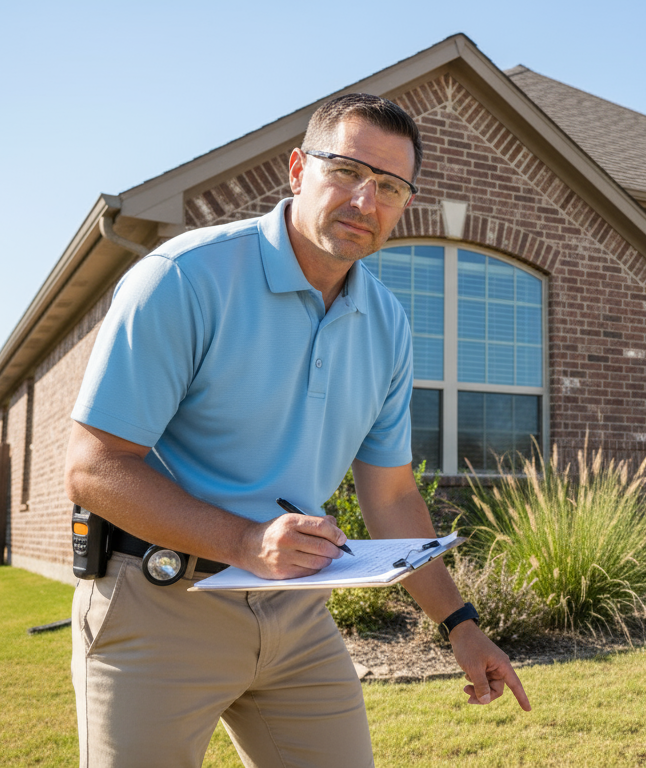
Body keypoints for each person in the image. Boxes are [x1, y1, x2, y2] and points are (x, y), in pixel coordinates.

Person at [64, 93, 529, 768]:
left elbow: (393, 497)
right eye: (346, 172)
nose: (365, 202)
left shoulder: (388, 324)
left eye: (390, 187)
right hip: (157, 602)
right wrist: (246, 541)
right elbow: (93, 466)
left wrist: (461, 626)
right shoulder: (184, 278)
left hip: (295, 613)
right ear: (296, 170)